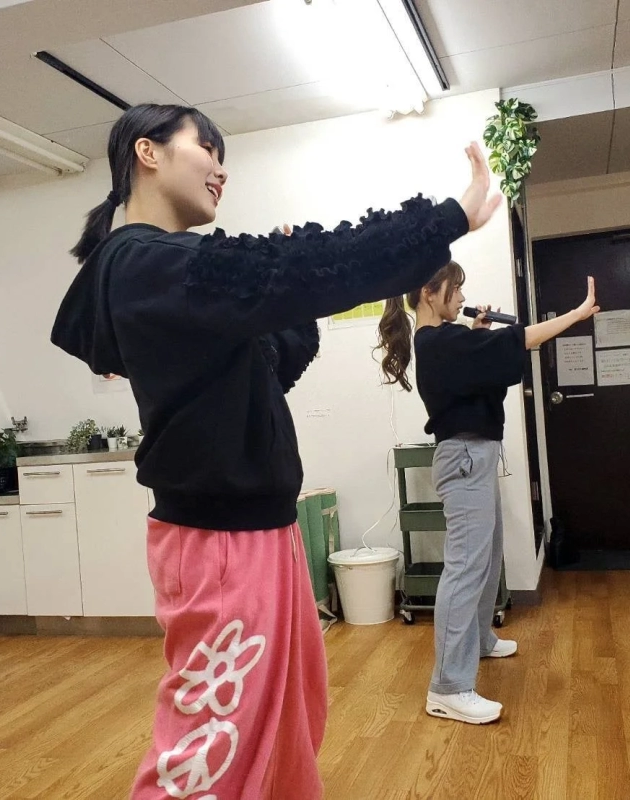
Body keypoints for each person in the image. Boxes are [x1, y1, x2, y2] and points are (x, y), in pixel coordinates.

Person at [50, 102, 503, 798]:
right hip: (219, 543)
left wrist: (294, 305)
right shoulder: (143, 262)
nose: (221, 169)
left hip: (261, 532)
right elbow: (284, 270)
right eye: (207, 147)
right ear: (147, 151)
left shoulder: (171, 273)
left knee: (288, 719)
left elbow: (268, 365)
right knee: (210, 745)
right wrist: (440, 220)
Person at [376, 261, 598, 724]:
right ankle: (448, 687)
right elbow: (518, 341)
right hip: (464, 457)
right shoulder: (438, 342)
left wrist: (476, 334)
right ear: (428, 293)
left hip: (474, 456)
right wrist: (575, 316)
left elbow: (484, 370)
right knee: (464, 568)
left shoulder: (447, 342)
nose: (461, 298)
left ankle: (479, 638)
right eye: (455, 291)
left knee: (488, 554)